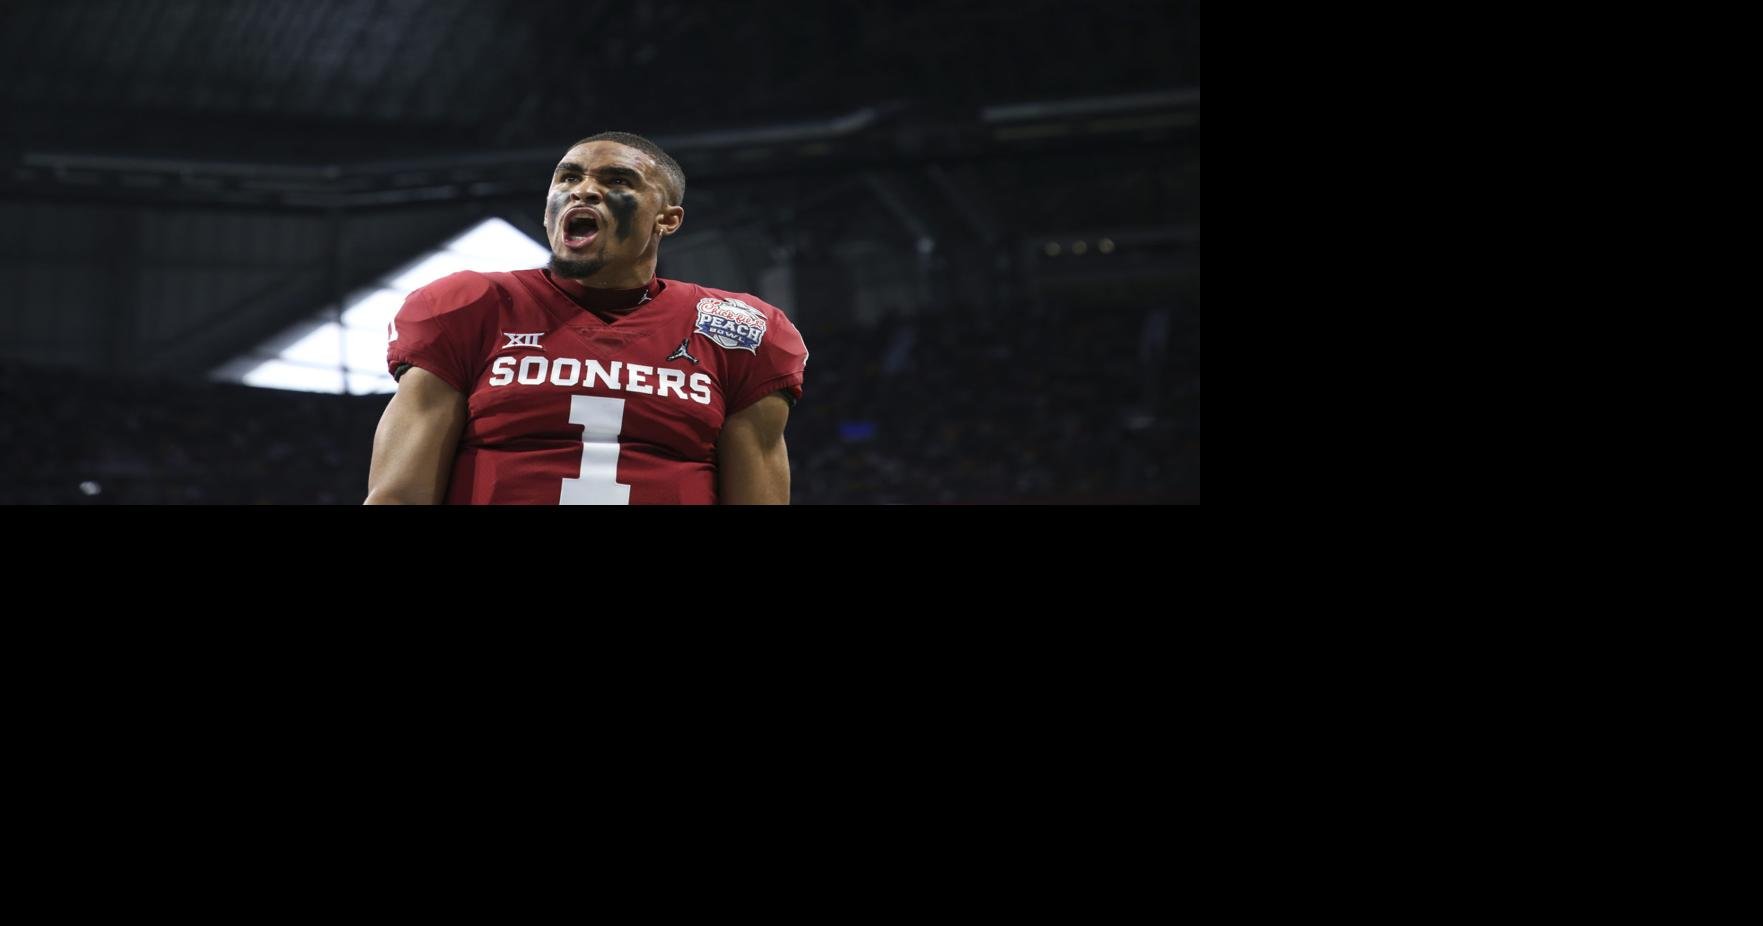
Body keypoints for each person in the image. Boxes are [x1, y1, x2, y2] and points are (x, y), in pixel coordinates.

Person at [364, 131, 807, 504]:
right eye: (568, 177)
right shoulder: (469, 305)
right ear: (548, 207)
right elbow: (399, 495)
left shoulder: (737, 328)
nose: (583, 190)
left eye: (618, 180)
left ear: (667, 220)